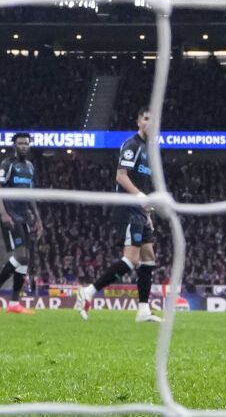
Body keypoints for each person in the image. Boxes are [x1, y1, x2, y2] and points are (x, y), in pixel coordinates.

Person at [78, 107, 160, 323]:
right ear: (138, 122)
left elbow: (142, 182)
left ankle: (143, 310)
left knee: (149, 257)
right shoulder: (132, 145)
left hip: (140, 211)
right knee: (131, 260)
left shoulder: (150, 150)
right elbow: (121, 176)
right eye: (146, 119)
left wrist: (147, 211)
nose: (150, 124)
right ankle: (89, 290)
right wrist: (141, 197)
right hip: (127, 209)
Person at [0, 131, 44, 314]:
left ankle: (14, 303)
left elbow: (30, 194)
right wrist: (4, 213)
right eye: (20, 143)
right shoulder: (7, 164)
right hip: (11, 214)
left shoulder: (30, 167)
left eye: (26, 143)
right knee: (21, 256)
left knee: (26, 259)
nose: (24, 146)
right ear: (14, 145)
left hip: (24, 216)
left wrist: (38, 218)